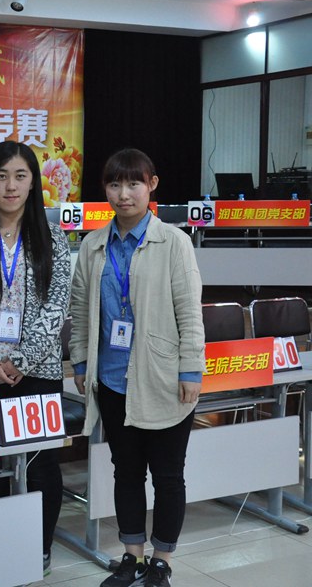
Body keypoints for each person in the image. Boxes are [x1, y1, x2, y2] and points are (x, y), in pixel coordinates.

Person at [71, 149, 204, 587]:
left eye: (133, 184)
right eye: (114, 184)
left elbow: (190, 312)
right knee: (126, 473)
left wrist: (191, 371)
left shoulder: (174, 242)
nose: (123, 194)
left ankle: (161, 561)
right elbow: (80, 310)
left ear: (152, 185)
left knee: (167, 476)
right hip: (111, 379)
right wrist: (82, 360)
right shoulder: (93, 245)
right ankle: (132, 557)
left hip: (163, 378)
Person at [0, 141, 70, 575]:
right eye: (1, 176)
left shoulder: (52, 238)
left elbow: (57, 305)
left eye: (20, 176)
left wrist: (22, 360)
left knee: (41, 466)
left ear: (33, 183)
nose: (10, 186)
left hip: (37, 372)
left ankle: (38, 549)